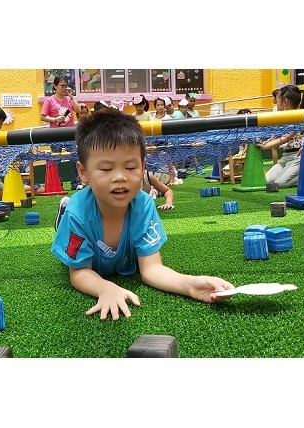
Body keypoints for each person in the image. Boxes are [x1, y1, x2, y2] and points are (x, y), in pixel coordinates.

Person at [51, 108, 234, 321]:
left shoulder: (144, 205)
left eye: (130, 167)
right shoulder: (78, 214)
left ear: (143, 167)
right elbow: (79, 272)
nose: (120, 177)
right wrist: (105, 288)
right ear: (84, 172)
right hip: (76, 217)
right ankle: (62, 213)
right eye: (106, 169)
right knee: (71, 221)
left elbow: (151, 269)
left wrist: (190, 285)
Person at [257, 85, 304, 188]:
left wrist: (266, 146)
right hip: (285, 157)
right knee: (267, 181)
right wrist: (266, 142)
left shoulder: (298, 115)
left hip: (297, 157)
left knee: (279, 183)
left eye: (277, 100)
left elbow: (286, 137)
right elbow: (278, 136)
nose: (276, 104)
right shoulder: (283, 117)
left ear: (285, 101)